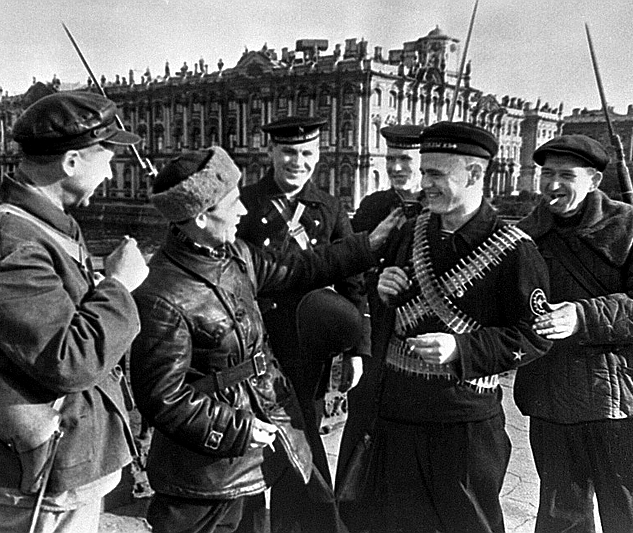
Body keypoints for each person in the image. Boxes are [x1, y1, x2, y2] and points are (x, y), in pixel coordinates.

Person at [129, 146, 398, 533]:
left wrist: (367, 245)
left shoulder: (234, 254)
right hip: (203, 476)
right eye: (234, 203)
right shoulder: (161, 295)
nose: (243, 212)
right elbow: (162, 399)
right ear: (202, 217)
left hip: (247, 453)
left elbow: (299, 267)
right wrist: (241, 429)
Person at [0, 91, 150, 532]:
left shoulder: (44, 223)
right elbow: (66, 359)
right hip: (43, 466)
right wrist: (119, 286)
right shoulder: (10, 241)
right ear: (71, 162)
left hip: (66, 450)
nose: (110, 172)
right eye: (106, 157)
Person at [362, 121, 553, 533]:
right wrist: (382, 290)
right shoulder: (411, 232)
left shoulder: (514, 250)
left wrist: (460, 350)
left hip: (463, 421)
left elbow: (535, 335)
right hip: (399, 411)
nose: (423, 183)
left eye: (435, 174)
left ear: (475, 175)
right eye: (423, 170)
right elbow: (386, 316)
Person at [514, 134, 633, 533]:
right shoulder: (524, 236)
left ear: (593, 180)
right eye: (547, 173)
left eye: (566, 175)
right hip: (549, 401)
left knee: (631, 520)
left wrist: (581, 317)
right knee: (560, 521)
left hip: (621, 404)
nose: (553, 184)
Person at [236, 116, 369, 532]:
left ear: (318, 155)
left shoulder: (329, 209)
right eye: (289, 152)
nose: (298, 161)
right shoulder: (243, 203)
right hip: (252, 345)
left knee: (304, 446)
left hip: (307, 348)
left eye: (307, 153)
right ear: (271, 152)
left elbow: (353, 283)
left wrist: (357, 351)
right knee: (249, 449)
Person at [336, 124, 423, 524]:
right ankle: (352, 515)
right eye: (391, 159)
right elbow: (350, 272)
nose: (396, 167)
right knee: (362, 424)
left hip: (417, 344)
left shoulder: (437, 210)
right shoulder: (374, 206)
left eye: (406, 159)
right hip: (374, 334)